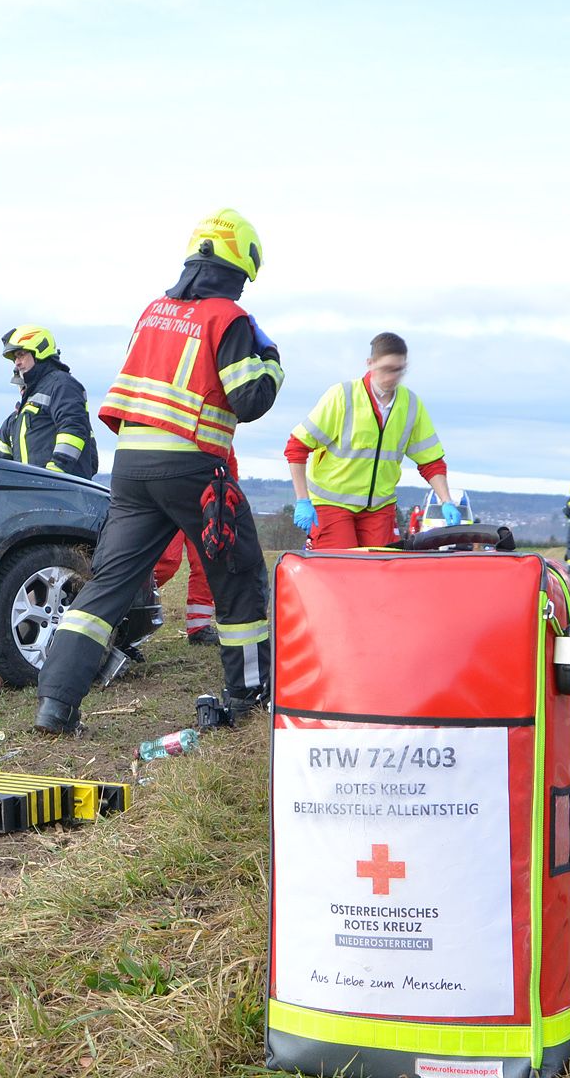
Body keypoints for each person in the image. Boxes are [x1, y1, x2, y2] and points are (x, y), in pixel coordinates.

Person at [33, 208, 282, 734]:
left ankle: (54, 704)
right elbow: (249, 399)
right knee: (238, 577)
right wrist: (271, 360)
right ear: (241, 268)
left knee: (108, 585)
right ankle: (250, 694)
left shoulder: (153, 311)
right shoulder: (228, 319)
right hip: (192, 467)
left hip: (131, 467)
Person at [286, 332, 458, 549]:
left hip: (379, 507)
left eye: (399, 370)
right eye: (386, 369)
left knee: (382, 570)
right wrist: (303, 500)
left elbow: (431, 461)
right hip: (333, 504)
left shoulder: (411, 405)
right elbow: (297, 447)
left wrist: (446, 501)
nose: (392, 377)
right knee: (341, 570)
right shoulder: (342, 396)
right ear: (370, 364)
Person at [150, 445, 240, 646]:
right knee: (166, 562)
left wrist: (231, 498)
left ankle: (199, 628)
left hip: (205, 505)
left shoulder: (217, 431)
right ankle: (128, 606)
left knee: (207, 562)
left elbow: (230, 463)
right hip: (169, 499)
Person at [0, 326, 96, 478]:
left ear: (39, 351)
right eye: (15, 358)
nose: (17, 363)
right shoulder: (19, 414)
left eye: (21, 355)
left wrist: (55, 472)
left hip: (60, 492)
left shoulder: (62, 385)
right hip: (33, 494)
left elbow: (72, 429)